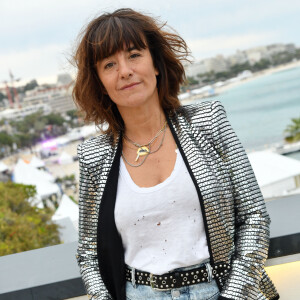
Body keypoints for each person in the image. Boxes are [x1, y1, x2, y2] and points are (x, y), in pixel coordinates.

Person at [72, 8, 279, 300]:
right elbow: (88, 253)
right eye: (109, 64)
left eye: (134, 55)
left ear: (155, 63)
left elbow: (254, 216)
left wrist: (233, 297)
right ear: (101, 83)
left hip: (220, 290)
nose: (125, 71)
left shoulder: (208, 122)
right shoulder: (94, 156)